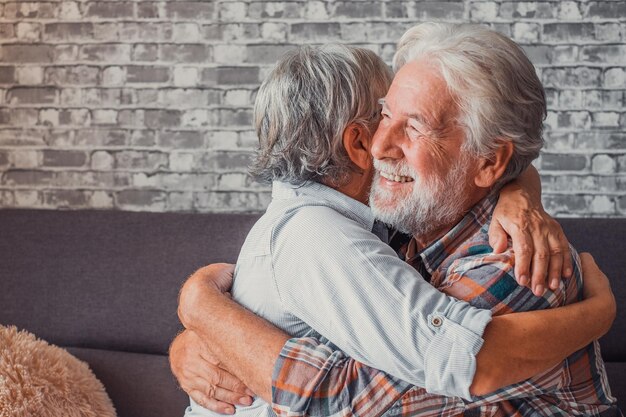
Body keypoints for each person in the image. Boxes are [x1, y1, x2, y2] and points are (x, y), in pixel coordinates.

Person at [174, 25, 619, 417]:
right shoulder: (400, 227)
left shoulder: (521, 264)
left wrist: (205, 310)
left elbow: (339, 399)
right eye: (385, 114)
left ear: (488, 161)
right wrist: (200, 330)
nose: (381, 145)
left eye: (417, 126)